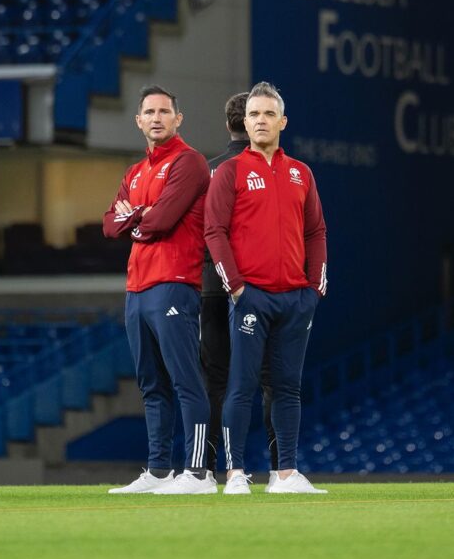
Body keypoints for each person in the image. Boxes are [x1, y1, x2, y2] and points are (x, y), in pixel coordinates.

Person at [204, 81, 329, 495]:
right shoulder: (230, 171)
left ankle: (286, 474)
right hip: (250, 296)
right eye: (253, 114)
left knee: (288, 387)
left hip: (295, 299)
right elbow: (214, 231)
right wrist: (236, 287)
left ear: (282, 121)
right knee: (241, 386)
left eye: (268, 114)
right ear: (245, 121)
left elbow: (316, 231)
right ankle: (236, 473)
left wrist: (314, 288)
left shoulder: (301, 172)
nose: (260, 120)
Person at [102, 85, 216, 495]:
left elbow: (162, 221)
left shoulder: (190, 163)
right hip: (136, 288)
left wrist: (135, 217)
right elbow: (108, 224)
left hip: (174, 283)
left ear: (177, 118)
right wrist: (140, 216)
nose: (156, 118)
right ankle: (158, 471)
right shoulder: (134, 171)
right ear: (138, 120)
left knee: (186, 380)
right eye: (149, 111)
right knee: (151, 384)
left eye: (164, 111)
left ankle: (199, 473)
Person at [201, 91, 279, 480]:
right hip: (258, 287)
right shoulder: (267, 171)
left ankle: (214, 468)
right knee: (267, 379)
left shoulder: (208, 170)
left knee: (216, 380)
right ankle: (281, 469)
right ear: (247, 122)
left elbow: (202, 232)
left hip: (211, 288)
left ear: (226, 123)